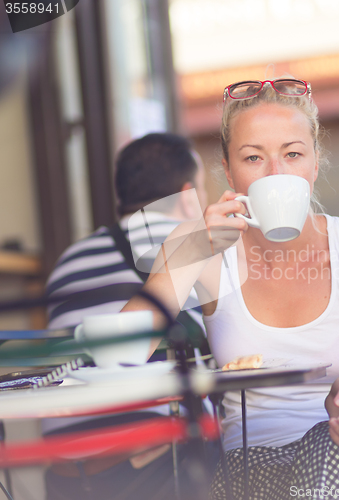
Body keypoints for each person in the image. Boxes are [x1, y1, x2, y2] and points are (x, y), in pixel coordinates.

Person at [123, 79, 339, 499]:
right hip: (253, 476)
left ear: (314, 163)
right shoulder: (200, 243)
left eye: (292, 154)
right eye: (253, 157)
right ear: (228, 168)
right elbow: (121, 351)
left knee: (336, 455)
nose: (276, 174)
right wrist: (193, 248)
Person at [43, 132, 208, 500]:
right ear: (187, 198)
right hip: (153, 469)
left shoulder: (67, 262)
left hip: (64, 472)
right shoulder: (192, 244)